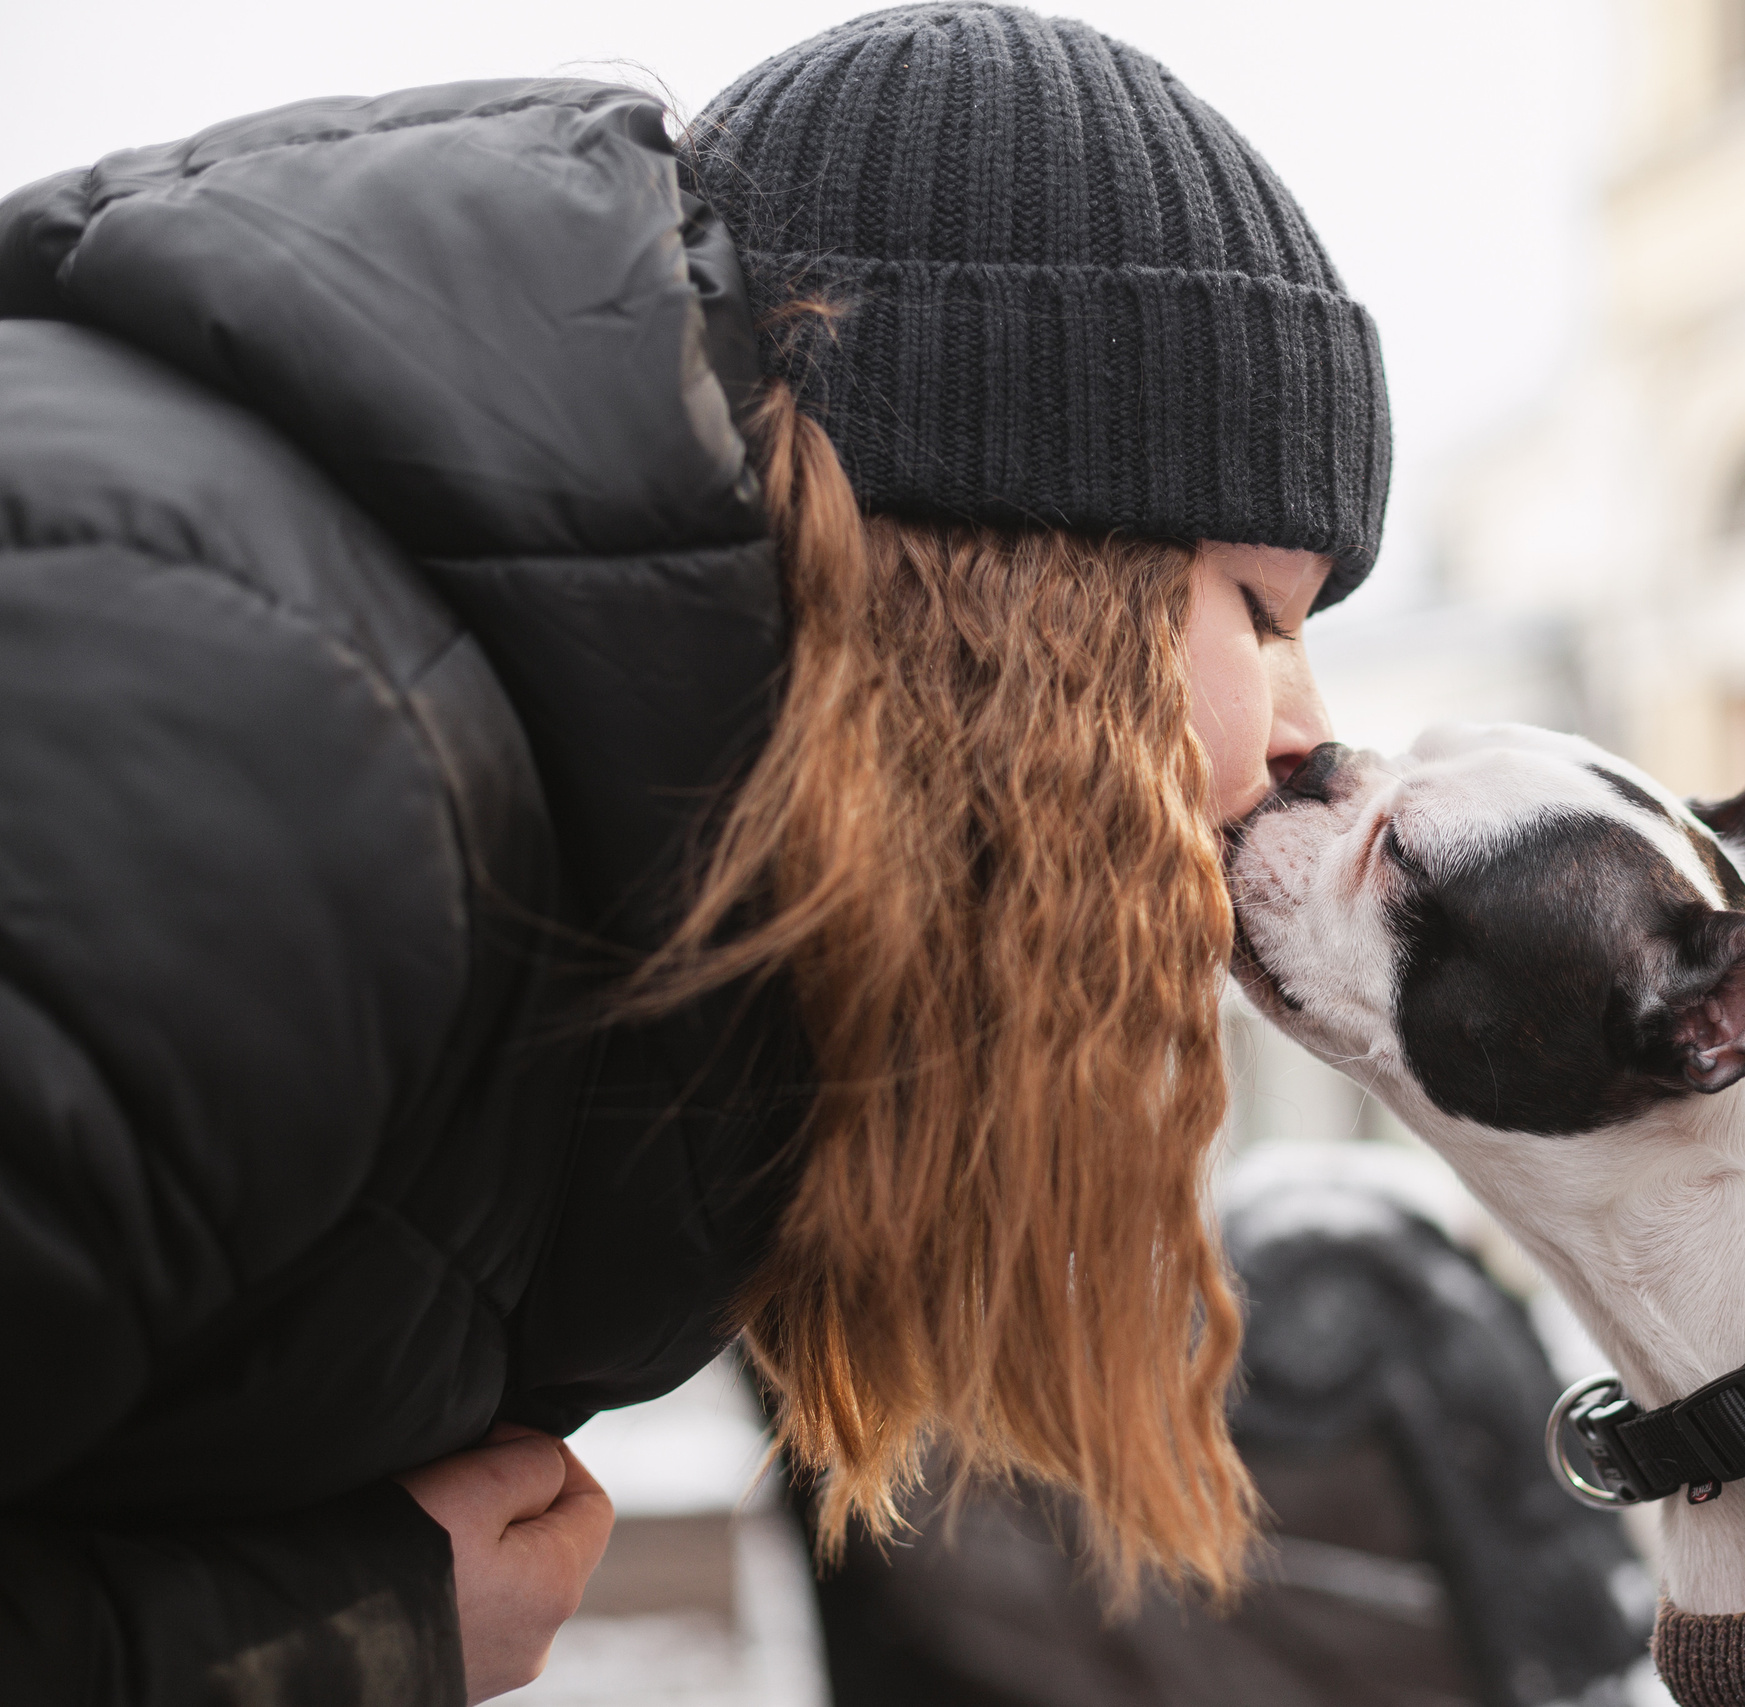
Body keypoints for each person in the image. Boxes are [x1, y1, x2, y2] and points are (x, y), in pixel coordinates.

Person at [0, 4, 1390, 1701]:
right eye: (1264, 611)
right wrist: (339, 1636)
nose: (1316, 732)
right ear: (1029, 574)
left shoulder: (599, 869)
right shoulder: (272, 760)